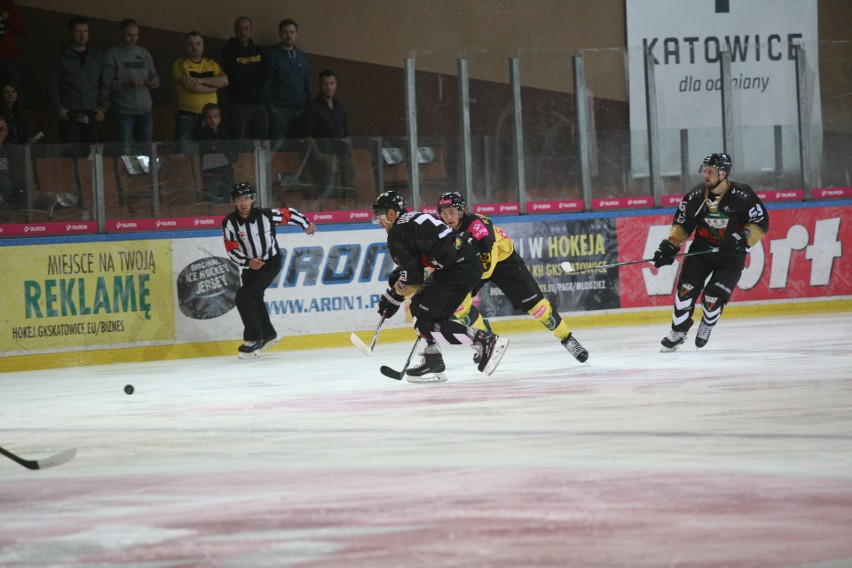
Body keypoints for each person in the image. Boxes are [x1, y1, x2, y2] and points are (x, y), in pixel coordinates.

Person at [404, 191, 590, 379]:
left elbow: (487, 264)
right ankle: (485, 340)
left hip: (501, 261)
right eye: (443, 213)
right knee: (460, 306)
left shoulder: (479, 228)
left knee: (538, 308)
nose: (448, 217)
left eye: (452, 212)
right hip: (470, 264)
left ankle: (568, 339)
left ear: (462, 211)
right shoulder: (441, 229)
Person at [372, 190, 509, 379]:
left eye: (380, 215)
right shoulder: (414, 217)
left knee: (425, 324)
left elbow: (413, 281)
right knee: (418, 306)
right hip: (461, 264)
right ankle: (433, 359)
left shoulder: (397, 233)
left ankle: (484, 340)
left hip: (458, 269)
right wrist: (401, 278)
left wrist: (392, 297)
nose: (378, 221)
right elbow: (425, 254)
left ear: (392, 213)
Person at [653, 152, 769, 351]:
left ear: (723, 174)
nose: (705, 175)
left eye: (710, 171)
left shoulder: (743, 195)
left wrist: (742, 239)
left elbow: (760, 222)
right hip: (702, 250)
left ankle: (707, 324)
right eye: (704, 171)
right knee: (686, 290)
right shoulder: (696, 196)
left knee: (712, 298)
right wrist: (670, 246)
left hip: (731, 256)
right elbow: (682, 225)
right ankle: (678, 332)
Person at [222, 182, 317, 358]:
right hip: (250, 267)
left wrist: (306, 224)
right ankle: (268, 334)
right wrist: (248, 261)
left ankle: (253, 338)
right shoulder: (229, 222)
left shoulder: (266, 215)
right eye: (239, 200)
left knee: (243, 297)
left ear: (253, 199)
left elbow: (290, 214)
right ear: (233, 202)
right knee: (254, 298)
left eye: (247, 199)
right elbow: (231, 249)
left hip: (270, 263)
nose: (243, 203)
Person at [47, 15, 107, 145]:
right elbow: (53, 84)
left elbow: (104, 84)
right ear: (70, 33)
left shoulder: (97, 56)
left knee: (91, 155)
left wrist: (102, 108)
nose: (82, 35)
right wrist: (59, 108)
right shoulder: (60, 56)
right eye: (78, 31)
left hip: (92, 112)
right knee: (70, 154)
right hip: (69, 113)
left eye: (85, 31)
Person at [102, 18, 159, 154]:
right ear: (121, 33)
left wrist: (153, 81)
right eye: (129, 35)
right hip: (124, 110)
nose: (133, 39)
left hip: (145, 109)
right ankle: (124, 174)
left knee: (145, 149)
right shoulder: (112, 54)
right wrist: (127, 83)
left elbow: (156, 78)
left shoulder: (144, 53)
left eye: (136, 35)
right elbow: (107, 84)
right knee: (124, 148)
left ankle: (144, 174)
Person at [303, 69, 356, 200]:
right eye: (325, 84)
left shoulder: (340, 107)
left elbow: (347, 133)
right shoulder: (313, 107)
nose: (329, 87)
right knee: (334, 187)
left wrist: (350, 152)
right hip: (325, 152)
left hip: (343, 153)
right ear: (320, 85)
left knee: (350, 185)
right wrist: (319, 156)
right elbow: (307, 136)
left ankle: (353, 213)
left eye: (332, 83)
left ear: (336, 84)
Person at [172, 31, 228, 146]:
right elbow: (192, 86)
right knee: (186, 150)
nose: (195, 47)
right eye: (191, 44)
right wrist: (212, 88)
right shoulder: (180, 64)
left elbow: (224, 81)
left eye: (198, 44)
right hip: (188, 115)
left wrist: (202, 80)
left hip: (211, 116)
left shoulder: (211, 64)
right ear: (185, 46)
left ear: (203, 46)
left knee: (209, 150)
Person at [220, 16, 270, 143]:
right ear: (235, 30)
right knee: (238, 142)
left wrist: (246, 71)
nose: (243, 32)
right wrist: (253, 71)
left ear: (251, 30)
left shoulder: (259, 51)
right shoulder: (228, 51)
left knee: (261, 143)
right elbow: (233, 74)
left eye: (246, 28)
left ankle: (259, 164)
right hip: (239, 103)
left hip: (259, 104)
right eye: (240, 29)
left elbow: (267, 74)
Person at [268, 18, 311, 147]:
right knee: (279, 146)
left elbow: (307, 82)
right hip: (280, 109)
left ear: (296, 34)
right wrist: (271, 108)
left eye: (292, 32)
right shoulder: (272, 55)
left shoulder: (302, 56)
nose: (289, 35)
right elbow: (265, 83)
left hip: (300, 108)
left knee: (299, 146)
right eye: (285, 32)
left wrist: (309, 106)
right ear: (280, 34)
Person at [196, 102, 236, 208]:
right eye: (209, 117)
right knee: (211, 201)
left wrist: (219, 149)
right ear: (204, 119)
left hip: (226, 174)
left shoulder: (224, 134)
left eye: (215, 117)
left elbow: (233, 153)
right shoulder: (202, 135)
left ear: (220, 118)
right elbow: (208, 151)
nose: (213, 120)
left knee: (228, 200)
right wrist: (220, 150)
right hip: (210, 175)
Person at [0, 0, 24, 89]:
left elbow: (21, 31)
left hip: (9, 57)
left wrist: (8, 17)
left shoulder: (8, 4)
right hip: (9, 57)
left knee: (13, 92)